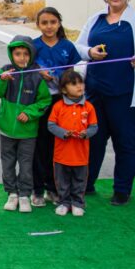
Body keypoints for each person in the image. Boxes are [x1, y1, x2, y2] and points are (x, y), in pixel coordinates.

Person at [75, 0, 135, 206]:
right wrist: (90, 52)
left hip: (128, 95)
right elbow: (78, 47)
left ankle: (122, 190)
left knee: (125, 142)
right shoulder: (95, 20)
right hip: (95, 94)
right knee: (94, 141)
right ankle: (86, 184)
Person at [31, 7, 82, 207]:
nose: (49, 26)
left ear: (59, 23)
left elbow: (73, 73)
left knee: (57, 146)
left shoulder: (67, 46)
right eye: (44, 23)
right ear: (38, 25)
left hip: (61, 102)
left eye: (53, 22)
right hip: (40, 101)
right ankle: (37, 189)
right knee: (39, 146)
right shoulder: (33, 46)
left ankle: (53, 189)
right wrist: (38, 73)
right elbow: (24, 68)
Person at [0, 36, 51, 213]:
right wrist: (2, 80)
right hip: (6, 129)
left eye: (26, 54)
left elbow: (45, 100)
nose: (22, 57)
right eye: (17, 53)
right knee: (8, 164)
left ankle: (25, 195)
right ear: (11, 54)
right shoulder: (6, 71)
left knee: (26, 165)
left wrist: (29, 113)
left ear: (31, 55)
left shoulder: (37, 76)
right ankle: (12, 193)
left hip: (28, 132)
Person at [47, 70, 98, 217]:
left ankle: (77, 203)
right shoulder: (58, 106)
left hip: (81, 155)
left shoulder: (89, 107)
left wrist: (86, 134)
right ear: (64, 90)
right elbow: (51, 125)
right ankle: (64, 202)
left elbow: (94, 127)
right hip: (61, 155)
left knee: (79, 180)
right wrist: (64, 133)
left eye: (81, 82)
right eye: (74, 84)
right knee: (62, 181)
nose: (79, 86)